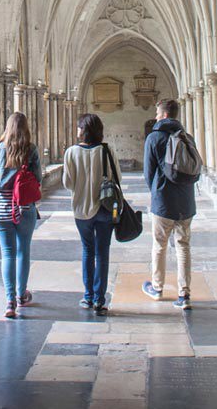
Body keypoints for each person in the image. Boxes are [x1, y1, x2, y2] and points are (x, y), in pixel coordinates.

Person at [0, 112, 42, 319]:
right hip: (25, 208)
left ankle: (9, 301)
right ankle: (21, 295)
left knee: (7, 254)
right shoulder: (31, 149)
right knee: (23, 252)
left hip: (1, 210)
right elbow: (37, 180)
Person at [142, 98, 197, 309]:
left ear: (164, 115)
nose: (156, 117)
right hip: (186, 201)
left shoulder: (154, 137)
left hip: (163, 201)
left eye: (157, 114)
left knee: (159, 245)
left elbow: (149, 173)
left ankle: (157, 288)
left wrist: (156, 191)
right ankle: (184, 294)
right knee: (183, 246)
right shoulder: (187, 136)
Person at [63, 113, 118, 314]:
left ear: (84, 130)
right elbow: (117, 178)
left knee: (88, 250)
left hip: (81, 209)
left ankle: (87, 296)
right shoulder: (107, 150)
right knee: (103, 253)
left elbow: (67, 183)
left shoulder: (71, 152)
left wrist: (82, 185)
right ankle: (99, 300)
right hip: (104, 208)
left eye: (79, 127)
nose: (77, 130)